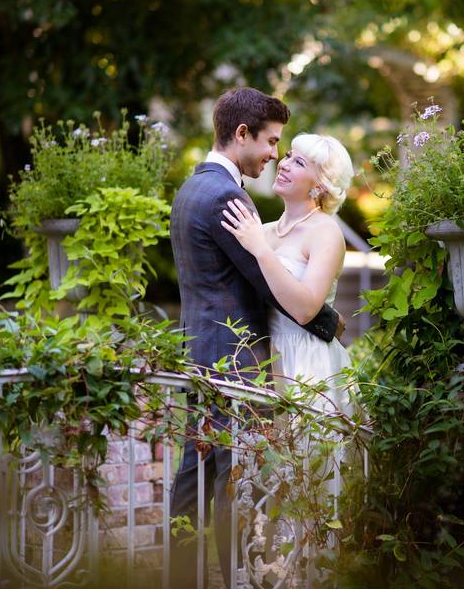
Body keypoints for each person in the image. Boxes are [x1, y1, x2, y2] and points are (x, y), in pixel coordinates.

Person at [169, 88, 341, 589]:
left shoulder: (190, 188)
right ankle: (241, 582)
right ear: (241, 134)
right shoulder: (227, 196)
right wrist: (331, 324)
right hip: (236, 365)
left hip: (200, 354)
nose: (274, 155)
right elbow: (267, 286)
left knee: (195, 479)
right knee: (236, 485)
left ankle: (180, 576)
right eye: (271, 142)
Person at [219, 133, 355, 414]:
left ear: (320, 185)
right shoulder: (262, 230)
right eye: (289, 155)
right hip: (262, 357)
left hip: (307, 359)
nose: (283, 163)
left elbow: (305, 310)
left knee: (307, 453)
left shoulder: (325, 232)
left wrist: (261, 251)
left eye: (299, 162)